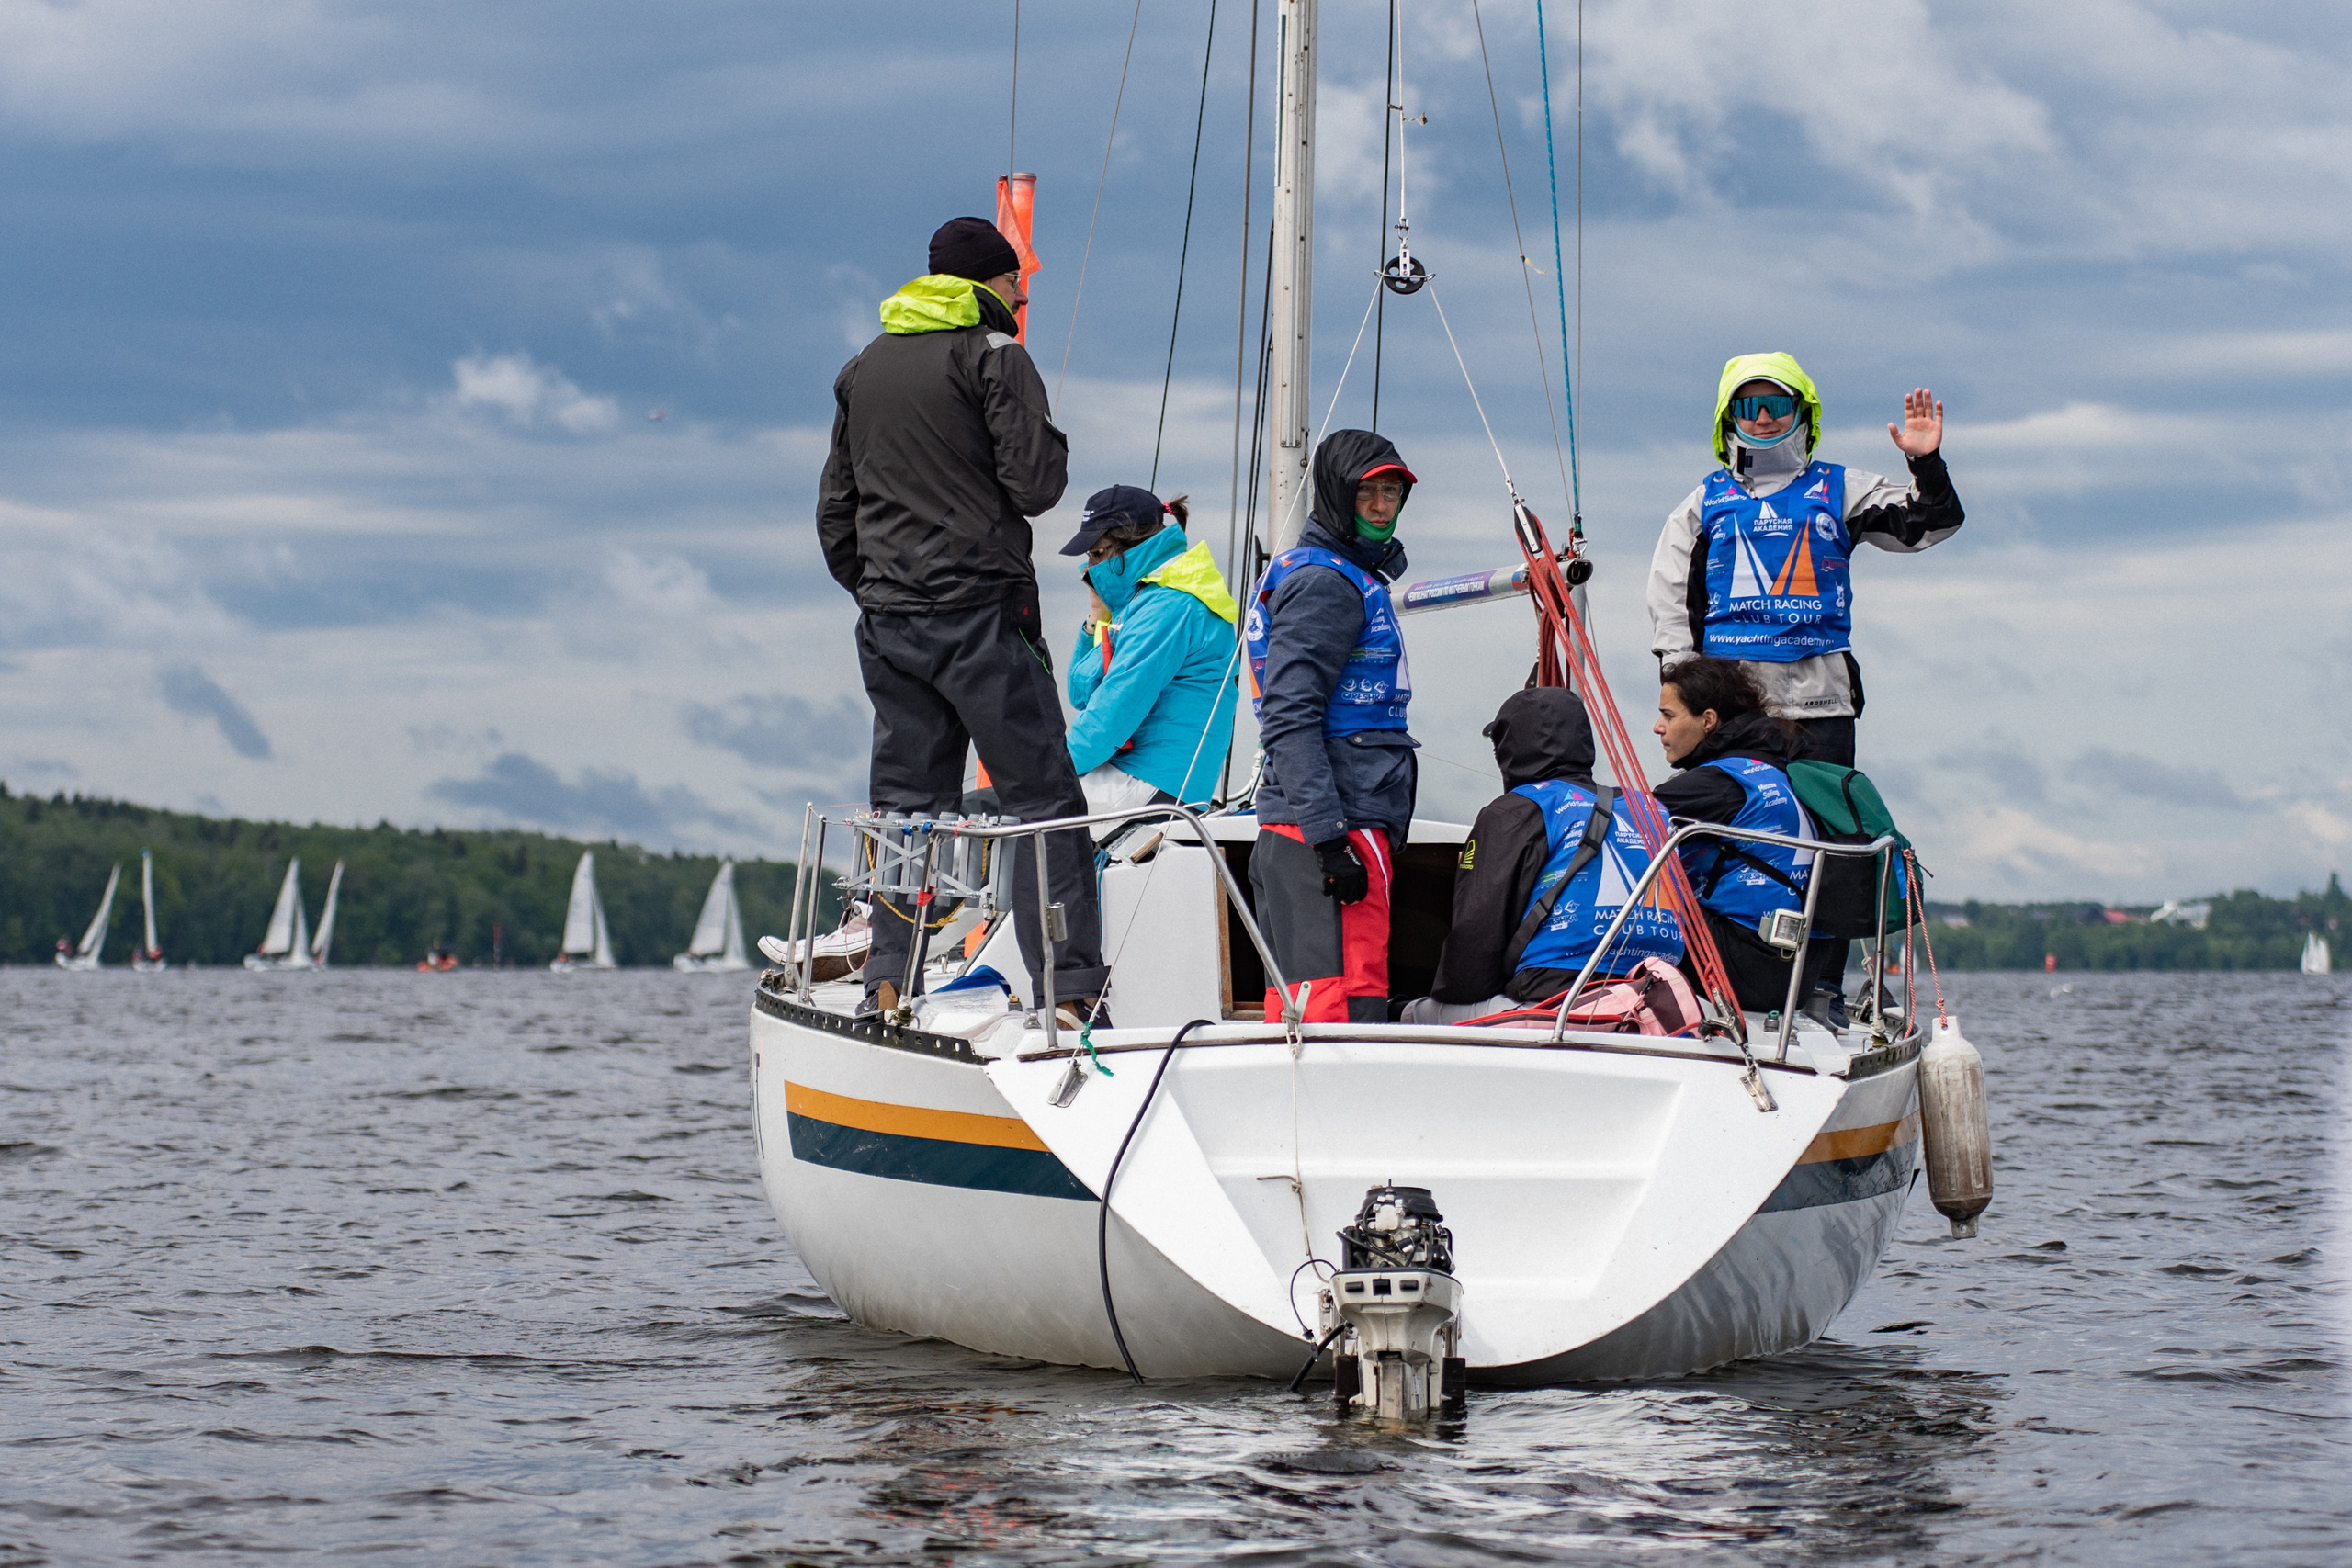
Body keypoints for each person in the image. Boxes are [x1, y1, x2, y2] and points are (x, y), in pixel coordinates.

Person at [816, 216, 1108, 1022]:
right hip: (983, 616)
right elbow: (1035, 486)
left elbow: (836, 513)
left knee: (906, 808)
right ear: (988, 281)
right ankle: (1071, 996)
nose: (1022, 294)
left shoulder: (862, 368)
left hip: (891, 623)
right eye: (1016, 280)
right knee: (1043, 803)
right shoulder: (995, 354)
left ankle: (887, 980)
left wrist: (879, 591)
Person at [1645, 351, 1962, 1020]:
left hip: (1821, 701)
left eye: (1777, 404)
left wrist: (1925, 463)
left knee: (1831, 845)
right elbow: (1670, 602)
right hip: (1732, 708)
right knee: (1717, 833)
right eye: (1749, 405)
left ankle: (1823, 989)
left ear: (1803, 414)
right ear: (1727, 419)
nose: (1763, 418)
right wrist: (1683, 690)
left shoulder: (1839, 489)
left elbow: (1931, 524)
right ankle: (1708, 974)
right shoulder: (1702, 504)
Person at [1243, 430, 1420, 1023]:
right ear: (1337, 496)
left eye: (1391, 492)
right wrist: (1329, 840)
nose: (1381, 506)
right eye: (1366, 492)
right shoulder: (1327, 583)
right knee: (1344, 1007)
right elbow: (1289, 714)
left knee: (1305, 1005)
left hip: (1318, 822)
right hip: (1333, 828)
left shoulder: (1325, 573)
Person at [1417, 687, 1684, 1021]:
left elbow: (1473, 950)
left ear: (1510, 746)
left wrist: (1448, 991)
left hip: (1556, 994)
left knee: (1410, 1015)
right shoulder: (1652, 810)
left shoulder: (1516, 810)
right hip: (1656, 993)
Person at [1650, 656, 1822, 1014]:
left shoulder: (1718, 782)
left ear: (1708, 720)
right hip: (1797, 972)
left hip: (1747, 968)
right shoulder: (1775, 767)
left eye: (1668, 715)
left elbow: (1624, 819)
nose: (1658, 727)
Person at [1059, 485, 1240, 820]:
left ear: (1132, 546)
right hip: (1138, 775)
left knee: (1008, 808)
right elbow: (1080, 693)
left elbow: (1110, 717)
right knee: (1007, 804)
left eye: (1096, 554)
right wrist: (1096, 617)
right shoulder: (1144, 602)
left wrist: (1045, 772)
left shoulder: (1169, 607)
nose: (1088, 568)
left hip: (1155, 782)